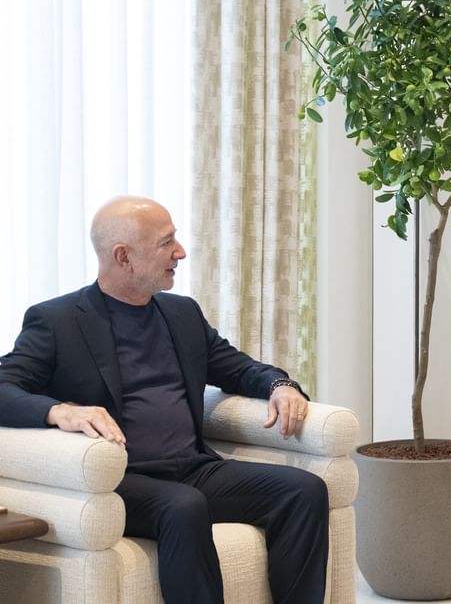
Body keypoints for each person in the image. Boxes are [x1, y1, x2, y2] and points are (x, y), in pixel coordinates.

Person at [0, 196, 329, 604]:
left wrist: (280, 385)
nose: (181, 252)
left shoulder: (181, 313)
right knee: (184, 506)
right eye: (166, 242)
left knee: (304, 490)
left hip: (195, 469)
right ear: (123, 256)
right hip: (121, 481)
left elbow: (238, 368)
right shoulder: (57, 321)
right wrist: (59, 412)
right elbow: (4, 388)